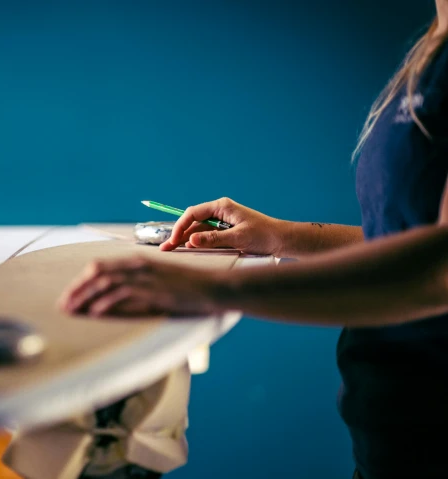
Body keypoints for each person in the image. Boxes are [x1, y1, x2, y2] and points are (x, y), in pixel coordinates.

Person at [58, 4, 448, 479]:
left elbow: (438, 269)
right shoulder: (436, 44)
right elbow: (407, 235)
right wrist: (279, 236)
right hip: (393, 423)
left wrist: (207, 291)